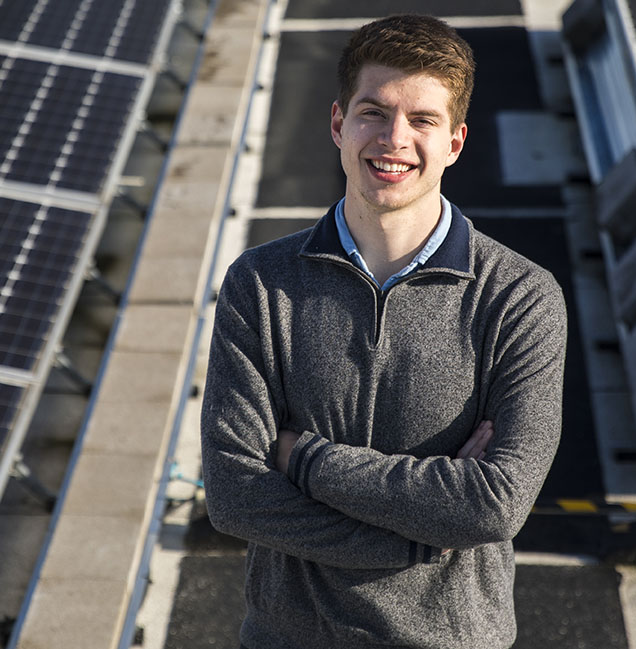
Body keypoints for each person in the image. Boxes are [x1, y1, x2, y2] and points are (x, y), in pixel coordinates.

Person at [200, 14, 567, 649]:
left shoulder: (520, 297)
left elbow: (496, 505)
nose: (394, 138)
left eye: (423, 120)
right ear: (339, 124)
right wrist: (431, 530)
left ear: (455, 143)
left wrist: (302, 458)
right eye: (374, 112)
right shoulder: (260, 283)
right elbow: (234, 495)